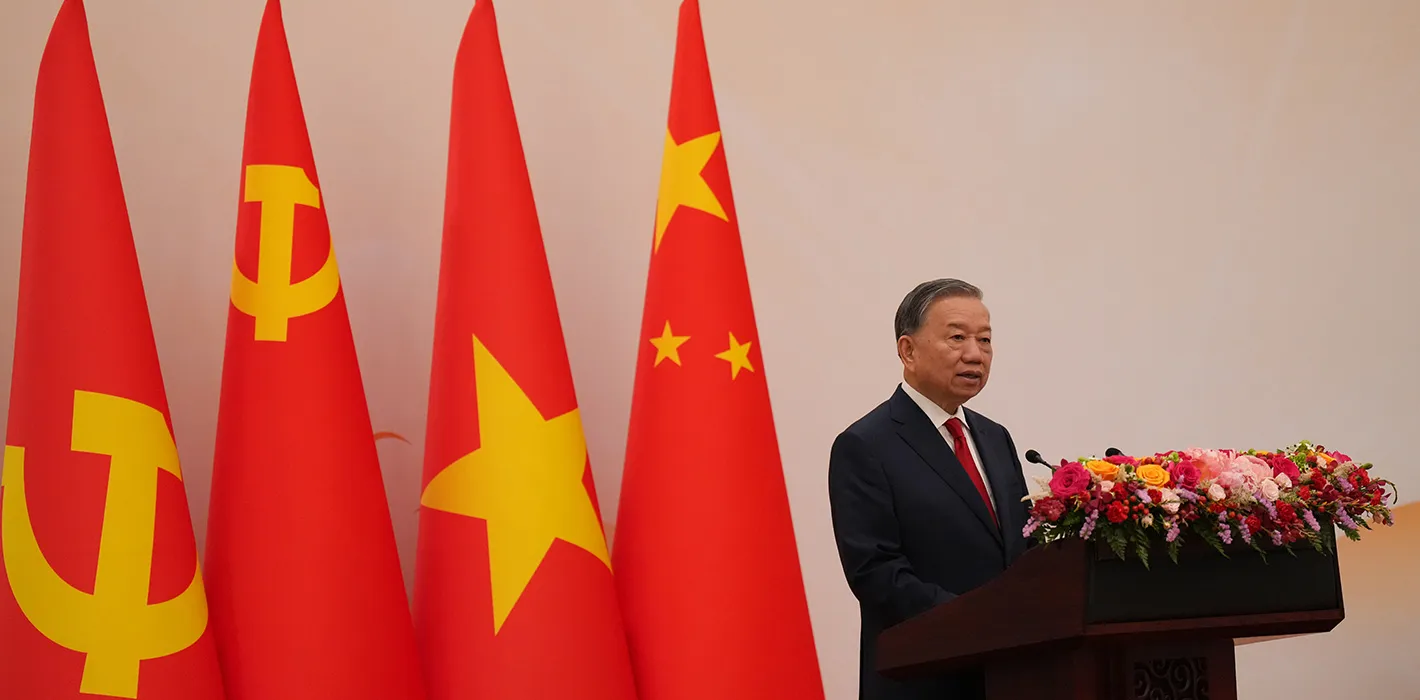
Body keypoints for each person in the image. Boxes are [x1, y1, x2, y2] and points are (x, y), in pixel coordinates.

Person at [828, 278, 1032, 700]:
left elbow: (1022, 547)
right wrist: (978, 621)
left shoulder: (995, 437)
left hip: (1009, 675)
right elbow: (876, 572)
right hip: (924, 679)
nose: (975, 354)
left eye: (985, 339)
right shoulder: (865, 445)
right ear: (908, 350)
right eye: (957, 338)